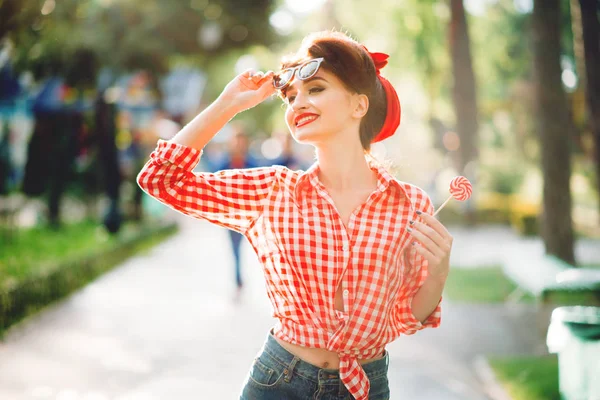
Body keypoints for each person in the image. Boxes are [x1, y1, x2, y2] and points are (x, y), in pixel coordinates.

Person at [137, 31, 453, 400]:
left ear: (358, 105)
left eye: (315, 89)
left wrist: (440, 271)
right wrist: (228, 104)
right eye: (290, 96)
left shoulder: (409, 204)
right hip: (279, 381)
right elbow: (161, 179)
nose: (297, 103)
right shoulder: (273, 190)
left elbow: (405, 317)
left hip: (365, 387)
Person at [208, 127, 259, 290]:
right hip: (231, 214)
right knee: (235, 248)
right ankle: (238, 277)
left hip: (251, 214)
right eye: (236, 141)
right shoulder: (223, 163)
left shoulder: (252, 163)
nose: (238, 145)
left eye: (241, 141)